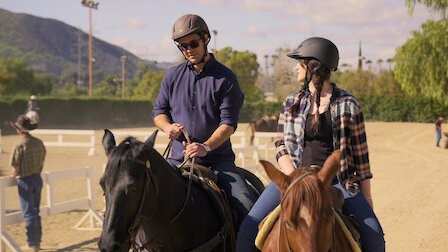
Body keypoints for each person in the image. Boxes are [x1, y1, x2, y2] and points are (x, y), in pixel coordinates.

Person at [236, 37, 385, 252]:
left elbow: (361, 159)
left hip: (337, 182)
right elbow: (280, 143)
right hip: (293, 179)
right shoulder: (291, 102)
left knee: (375, 238)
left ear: (314, 67)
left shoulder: (349, 104)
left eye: (300, 62)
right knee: (247, 231)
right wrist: (293, 178)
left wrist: (367, 199)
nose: (296, 67)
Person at [152, 14, 256, 226]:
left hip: (218, 162)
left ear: (206, 39)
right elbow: (159, 111)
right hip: (177, 161)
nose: (188, 49)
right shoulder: (172, 76)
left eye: (193, 43)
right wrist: (167, 127)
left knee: (249, 209)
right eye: (183, 46)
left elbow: (228, 125)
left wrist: (206, 147)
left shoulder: (227, 78)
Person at [10, 114, 46, 251]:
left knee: (29, 213)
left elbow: (15, 168)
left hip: (25, 180)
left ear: (19, 130)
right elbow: (42, 162)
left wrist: (14, 174)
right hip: (37, 178)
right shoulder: (39, 142)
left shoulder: (19, 145)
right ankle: (38, 240)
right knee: (36, 211)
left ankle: (33, 243)